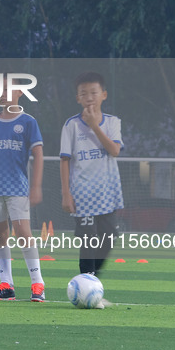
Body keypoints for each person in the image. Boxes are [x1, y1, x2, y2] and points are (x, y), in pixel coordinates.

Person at [60, 71, 124, 308]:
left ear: (103, 95)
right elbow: (65, 160)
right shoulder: (71, 126)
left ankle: (90, 282)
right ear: (77, 98)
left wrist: (95, 126)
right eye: (83, 94)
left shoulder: (113, 122)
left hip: (107, 194)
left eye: (93, 92)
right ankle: (87, 289)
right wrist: (66, 193)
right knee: (89, 241)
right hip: (82, 194)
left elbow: (114, 150)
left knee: (109, 239)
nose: (89, 97)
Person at [0, 77, 45, 302]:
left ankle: (38, 283)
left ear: (20, 92)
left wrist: (36, 186)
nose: (1, 93)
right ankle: (6, 284)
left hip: (17, 186)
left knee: (23, 233)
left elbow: (38, 154)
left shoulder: (28, 122)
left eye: (6, 88)